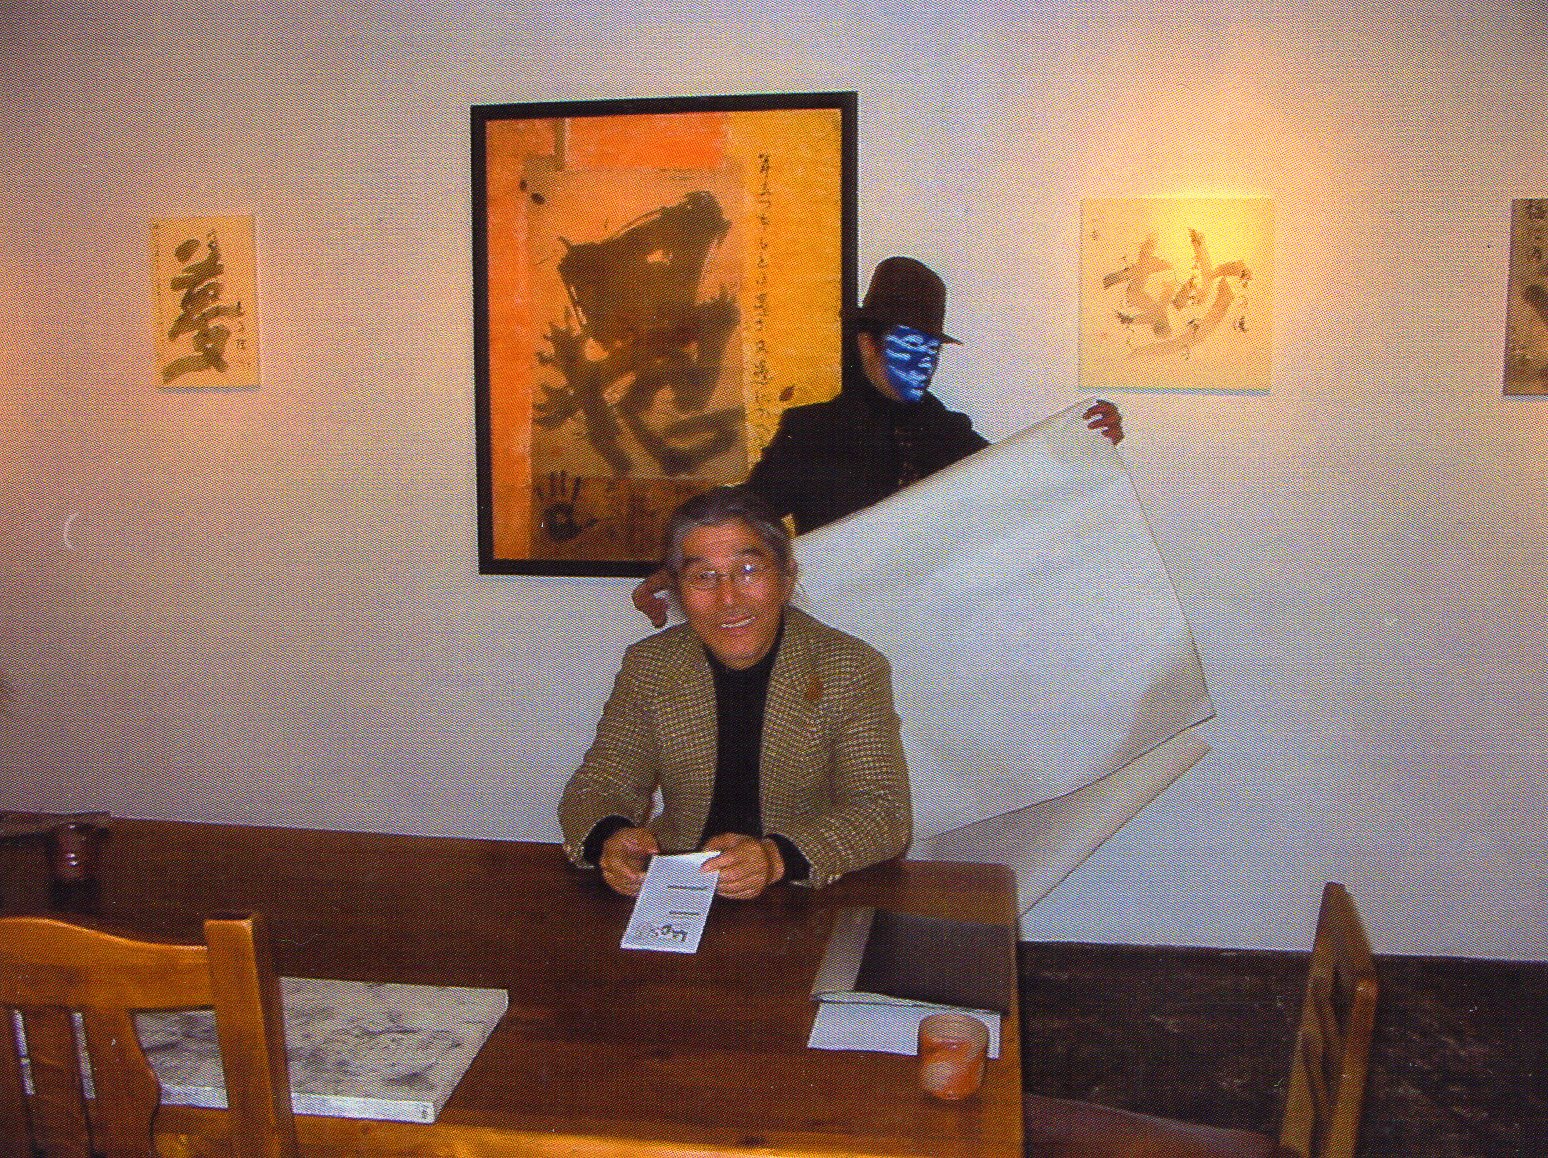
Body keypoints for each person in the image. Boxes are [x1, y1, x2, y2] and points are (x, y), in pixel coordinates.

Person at [633, 257, 1123, 625]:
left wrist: (1086, 442)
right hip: (843, 634)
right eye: (907, 346)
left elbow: (1018, 483)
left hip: (937, 632)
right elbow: (747, 514)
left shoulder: (947, 432)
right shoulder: (815, 432)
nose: (923, 364)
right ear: (867, 343)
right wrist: (674, 570)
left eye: (931, 350)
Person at [561, 486, 911, 900]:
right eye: (703, 577)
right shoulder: (652, 665)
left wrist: (775, 858)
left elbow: (882, 811)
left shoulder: (849, 667)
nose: (728, 599)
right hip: (676, 883)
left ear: (785, 578)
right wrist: (610, 838)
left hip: (799, 894)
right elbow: (601, 783)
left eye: (747, 570)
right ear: (678, 589)